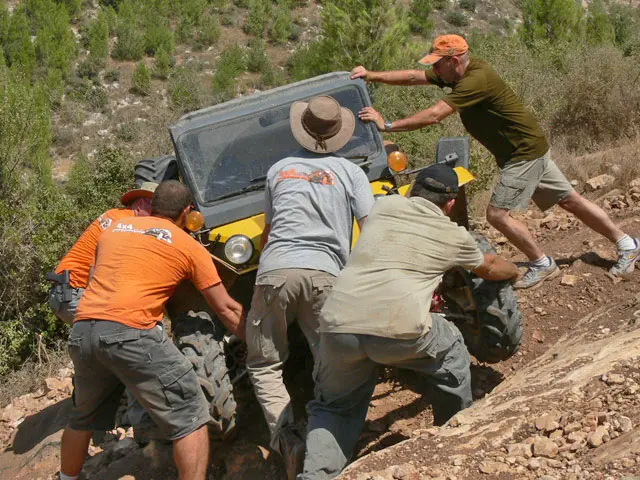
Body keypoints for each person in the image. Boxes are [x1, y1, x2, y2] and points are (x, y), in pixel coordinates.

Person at [351, 34, 640, 289]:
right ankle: (628, 244)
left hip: (522, 155)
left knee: (497, 215)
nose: (433, 70)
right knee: (570, 200)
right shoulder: (458, 74)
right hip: (528, 147)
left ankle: (542, 264)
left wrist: (387, 125)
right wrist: (372, 75)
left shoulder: (475, 80)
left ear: (453, 60)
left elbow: (435, 114)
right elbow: (416, 77)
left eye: (437, 64)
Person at [298, 164, 519, 480]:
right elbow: (489, 266)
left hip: (336, 325)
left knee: (335, 408)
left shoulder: (383, 207)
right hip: (397, 329)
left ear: (412, 189)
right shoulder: (452, 234)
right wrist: (515, 271)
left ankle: (315, 476)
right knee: (452, 345)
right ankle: (453, 439)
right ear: (451, 203)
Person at [58, 180, 244, 480]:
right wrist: (261, 345)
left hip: (83, 331)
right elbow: (225, 308)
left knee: (82, 417)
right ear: (187, 212)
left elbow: (93, 274)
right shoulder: (186, 244)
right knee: (192, 413)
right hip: (130, 332)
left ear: (152, 205)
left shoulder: (115, 230)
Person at [245, 95, 375, 479]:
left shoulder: (278, 170)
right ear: (339, 133)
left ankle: (288, 440)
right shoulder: (350, 172)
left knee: (265, 362)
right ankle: (327, 439)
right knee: (332, 360)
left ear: (302, 128)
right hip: (327, 274)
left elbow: (268, 233)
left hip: (275, 272)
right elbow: (370, 228)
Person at [49, 182, 158, 324]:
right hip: (75, 293)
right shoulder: (126, 224)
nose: (158, 218)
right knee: (133, 329)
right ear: (142, 204)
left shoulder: (117, 216)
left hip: (68, 292)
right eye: (156, 211)